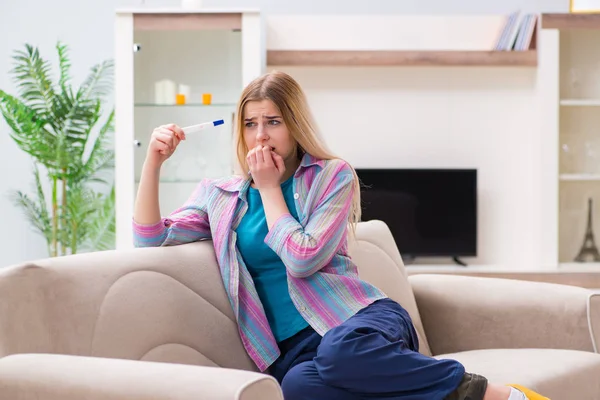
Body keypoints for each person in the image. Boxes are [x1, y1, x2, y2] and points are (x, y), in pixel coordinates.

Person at [132, 71, 548, 400]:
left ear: (294, 126)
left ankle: (495, 395)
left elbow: (302, 258)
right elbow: (150, 239)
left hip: (357, 321)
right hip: (293, 350)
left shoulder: (332, 176)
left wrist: (269, 188)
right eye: (251, 124)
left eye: (273, 122)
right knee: (297, 388)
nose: (260, 135)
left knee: (340, 352)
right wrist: (153, 162)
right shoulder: (220, 197)